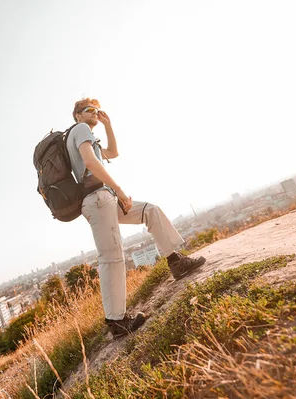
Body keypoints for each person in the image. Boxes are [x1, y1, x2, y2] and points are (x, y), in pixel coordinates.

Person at [66, 98, 206, 338]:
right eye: (89, 110)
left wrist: (107, 125)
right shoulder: (80, 129)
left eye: (96, 110)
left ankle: (176, 262)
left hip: (105, 198)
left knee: (150, 211)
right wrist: (119, 190)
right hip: (98, 198)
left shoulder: (88, 134)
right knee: (111, 257)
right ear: (77, 115)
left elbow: (113, 153)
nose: (94, 113)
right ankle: (117, 322)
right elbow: (90, 162)